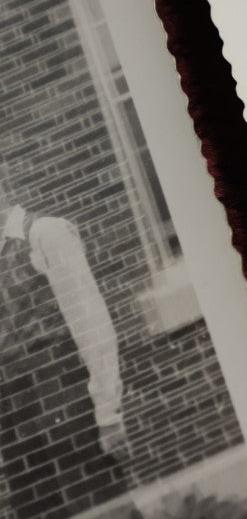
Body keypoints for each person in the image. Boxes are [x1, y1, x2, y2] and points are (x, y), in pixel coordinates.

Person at [0, 165, 134, 518]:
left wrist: (108, 411)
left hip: (64, 393)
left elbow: (91, 322)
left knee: (98, 505)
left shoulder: (45, 234)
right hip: (17, 409)